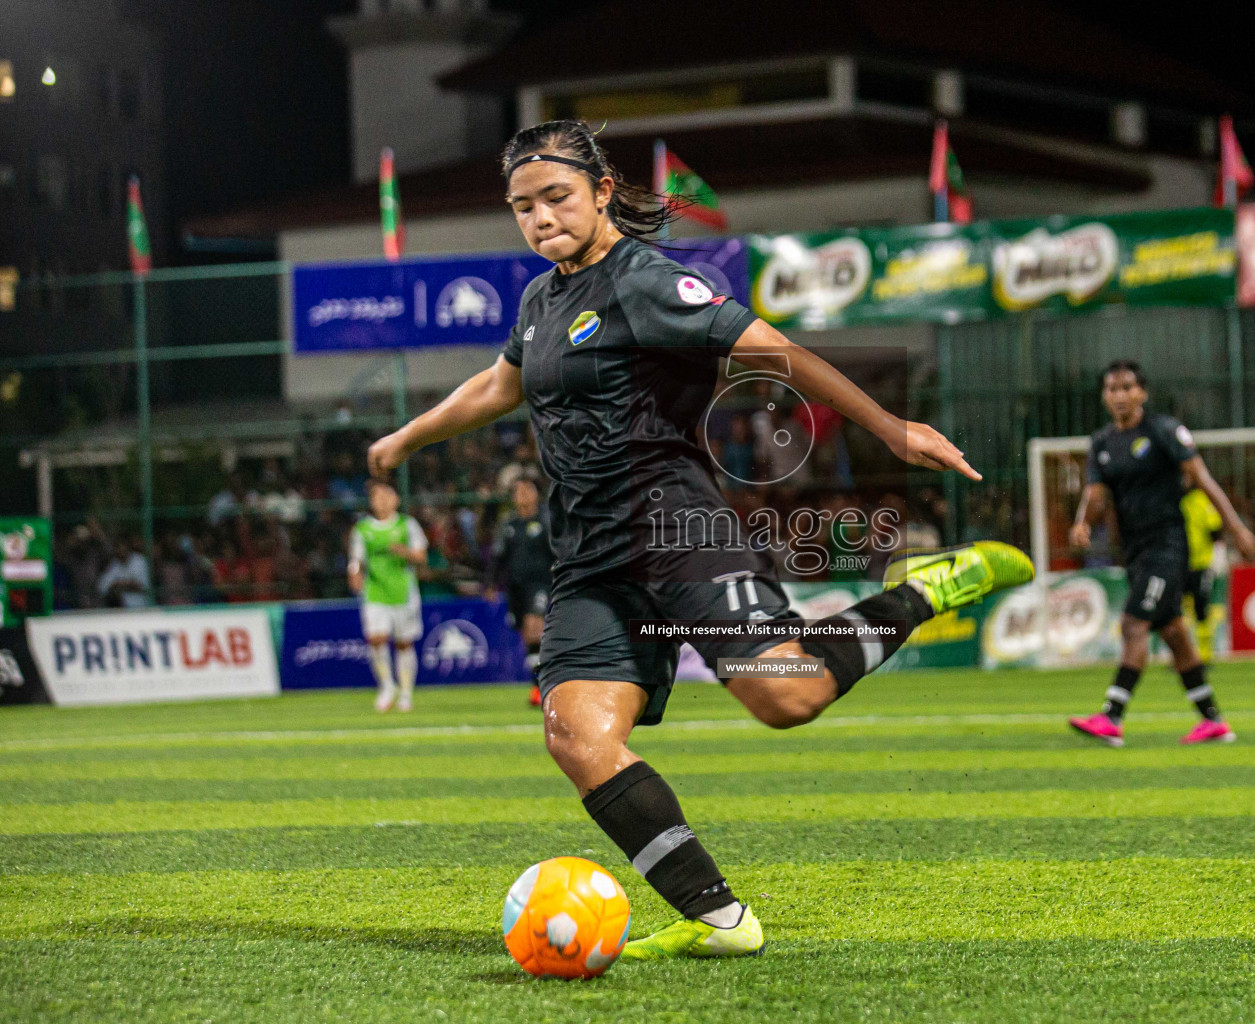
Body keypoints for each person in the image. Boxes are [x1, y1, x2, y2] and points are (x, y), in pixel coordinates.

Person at [366, 119, 1032, 962]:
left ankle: (927, 588)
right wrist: (403, 440)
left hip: (679, 535)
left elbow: (775, 352)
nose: (539, 219)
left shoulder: (643, 282)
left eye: (556, 198)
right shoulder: (540, 302)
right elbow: (497, 386)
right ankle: (720, 921)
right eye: (522, 207)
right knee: (576, 736)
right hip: (589, 563)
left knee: (786, 698)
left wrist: (891, 426)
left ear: (603, 191)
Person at [1066, 360, 1255, 747]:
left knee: (1134, 624)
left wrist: (1236, 528)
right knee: (1172, 632)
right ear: (1104, 396)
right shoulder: (1102, 443)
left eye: (1126, 387)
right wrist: (1082, 522)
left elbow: (1203, 479)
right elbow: (1096, 493)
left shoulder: (1164, 431)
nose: (1119, 395)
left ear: (1142, 393)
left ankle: (1112, 716)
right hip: (1134, 552)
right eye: (1111, 389)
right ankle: (1212, 721)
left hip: (1167, 547)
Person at [347, 478, 428, 713]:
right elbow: (355, 560)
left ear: (396, 499)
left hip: (404, 592)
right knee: (376, 638)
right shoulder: (363, 529)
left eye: (386, 496)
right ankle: (386, 686)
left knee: (404, 643)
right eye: (376, 497)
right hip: (375, 592)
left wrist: (404, 552)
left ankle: (405, 693)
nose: (381, 501)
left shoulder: (407, 524)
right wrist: (354, 574)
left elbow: (421, 556)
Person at [489, 477, 554, 706]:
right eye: (518, 491)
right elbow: (498, 557)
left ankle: (540, 688)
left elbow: (558, 551)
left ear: (537, 494)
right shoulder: (508, 524)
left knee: (534, 626)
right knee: (528, 638)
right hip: (515, 587)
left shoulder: (546, 521)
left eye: (528, 490)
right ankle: (538, 683)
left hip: (541, 584)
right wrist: (490, 584)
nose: (523, 495)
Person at [1179, 472, 1225, 664]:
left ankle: (1205, 656)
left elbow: (1215, 530)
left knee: (1200, 608)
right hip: (1178, 565)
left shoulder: (1201, 500)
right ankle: (1183, 657)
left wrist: (1217, 558)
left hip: (1200, 564)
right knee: (1177, 613)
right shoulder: (1173, 502)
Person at [98, 536, 151, 608]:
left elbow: (144, 586)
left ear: (128, 547)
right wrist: (123, 584)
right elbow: (102, 587)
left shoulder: (140, 561)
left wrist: (120, 584)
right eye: (118, 548)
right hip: (121, 611)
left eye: (123, 547)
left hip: (140, 607)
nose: (121, 550)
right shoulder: (114, 564)